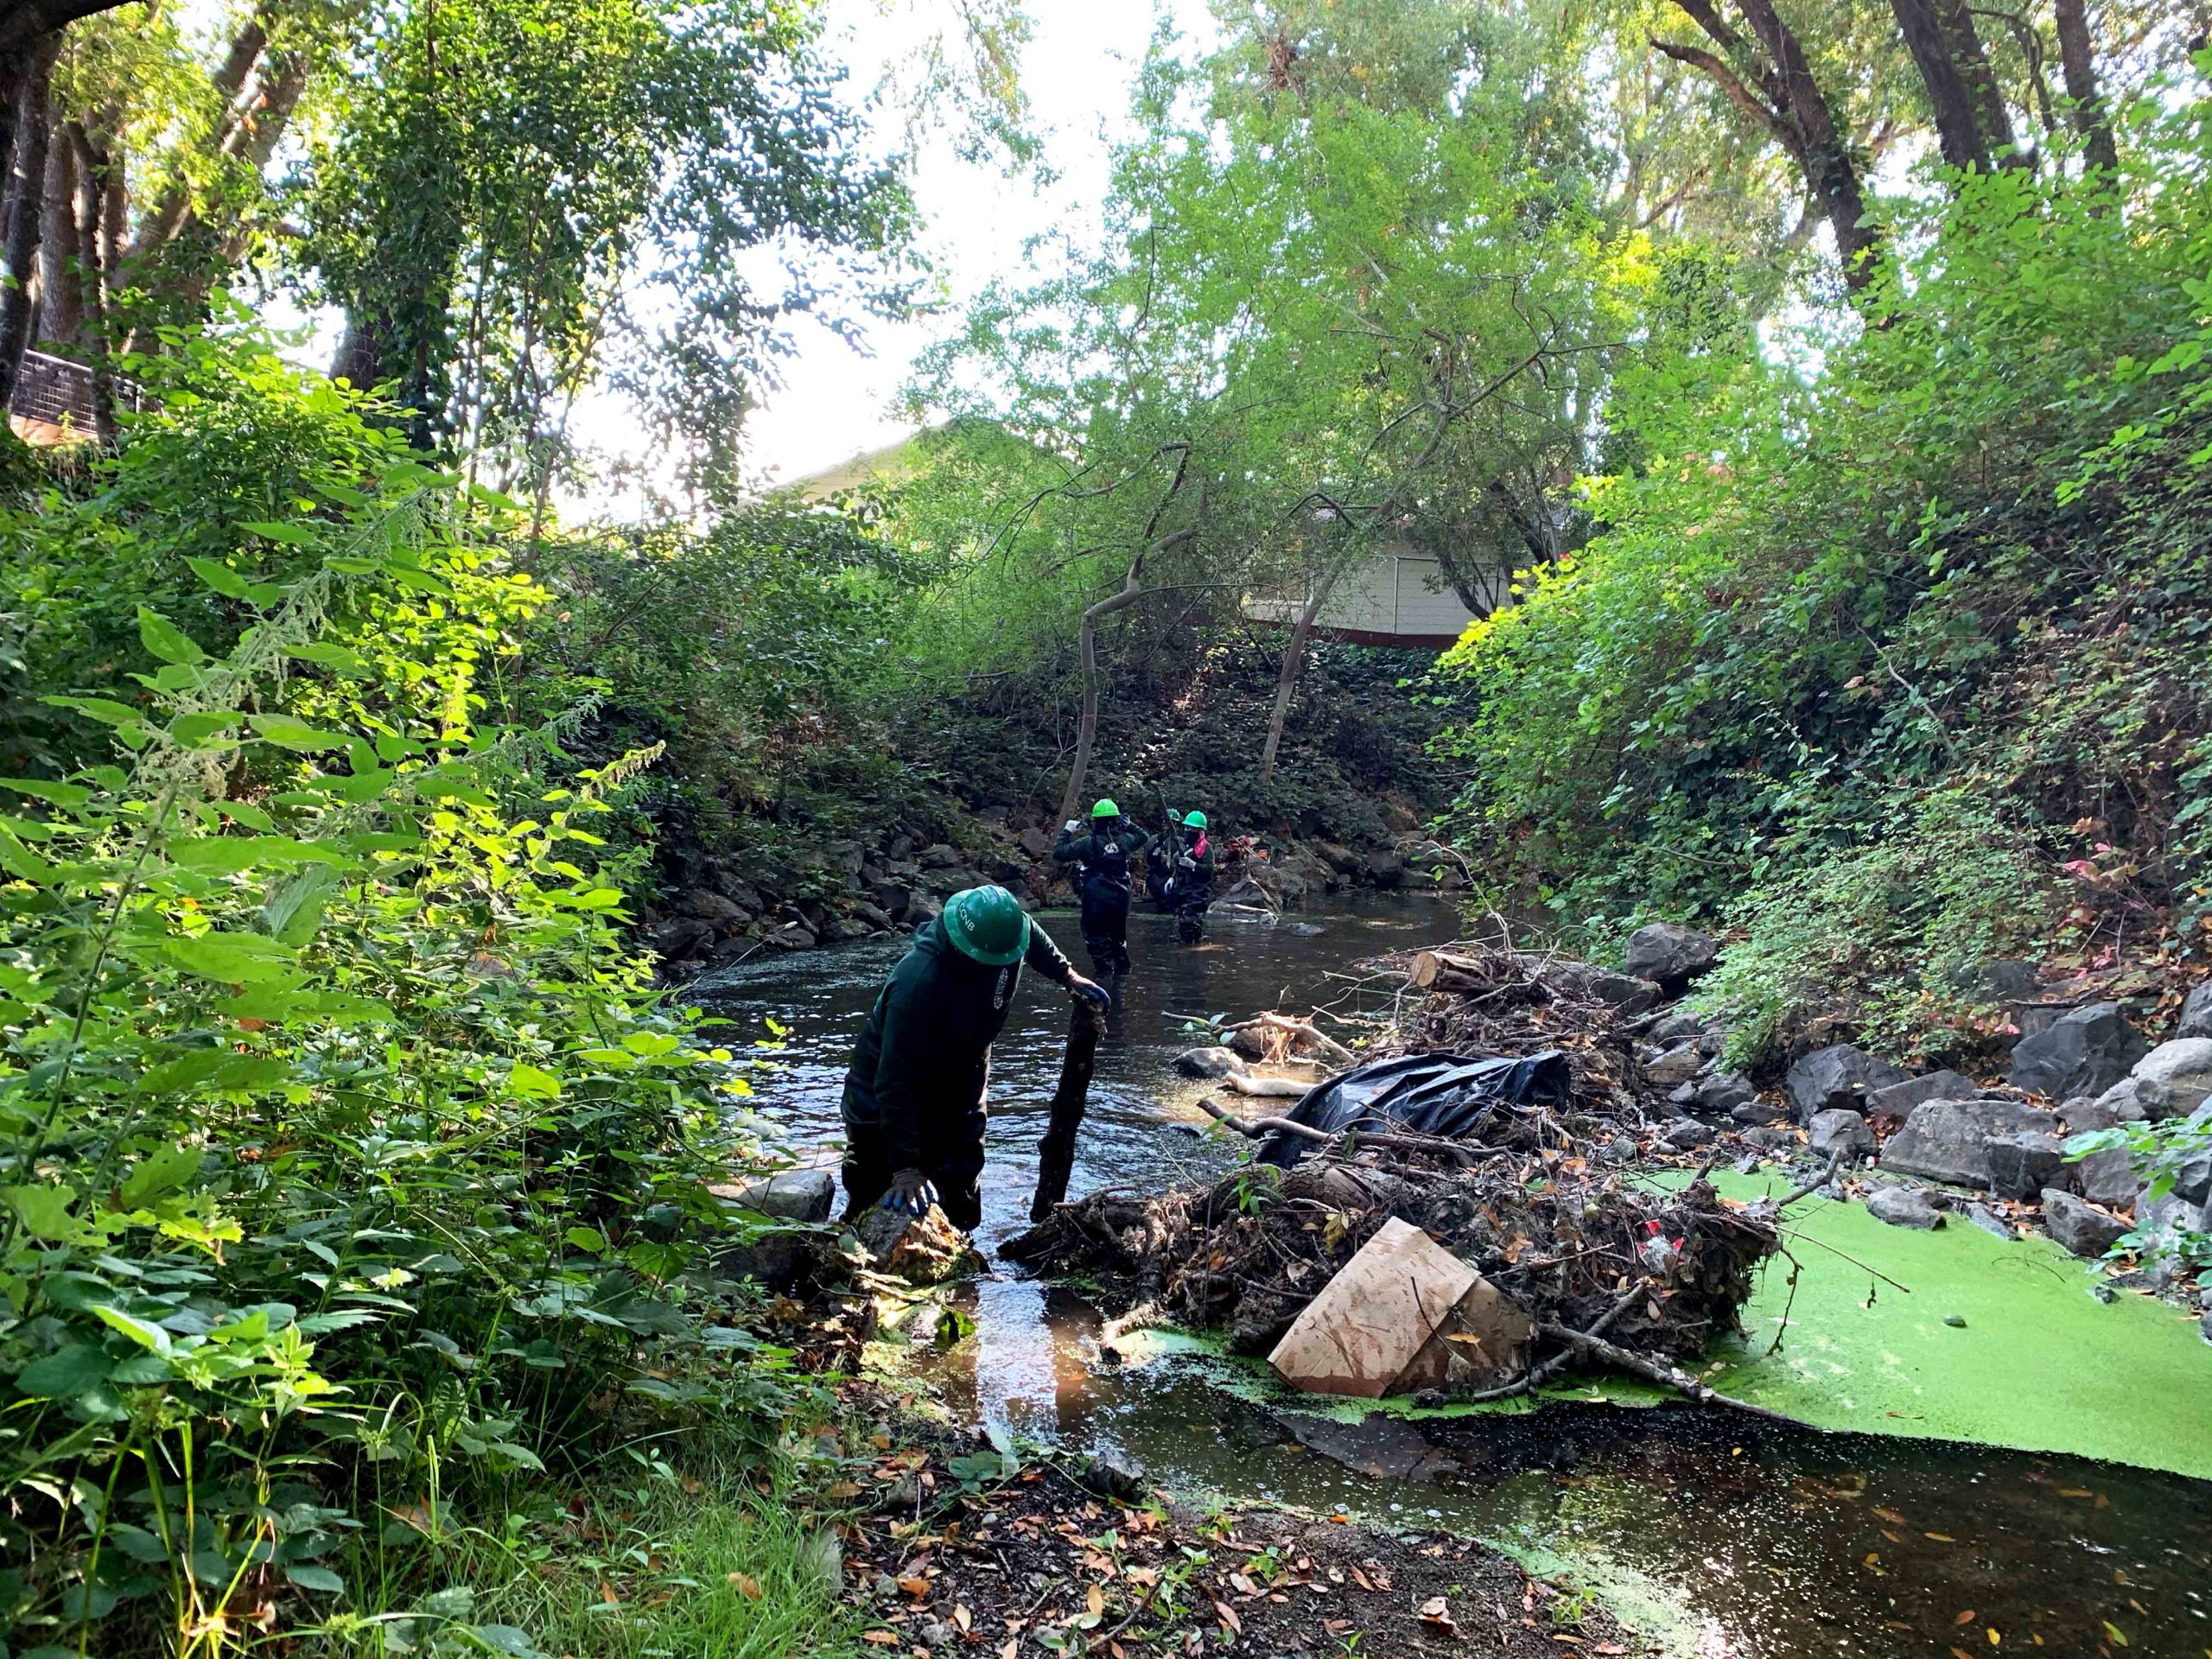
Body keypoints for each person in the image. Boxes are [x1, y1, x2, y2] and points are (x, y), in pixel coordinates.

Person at [840, 884, 1109, 1230]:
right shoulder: (918, 983)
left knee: (960, 1195)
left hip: (963, 1083)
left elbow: (1030, 933)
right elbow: (893, 1083)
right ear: (962, 948)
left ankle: (966, 1265)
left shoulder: (1008, 934)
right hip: (883, 1104)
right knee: (874, 1202)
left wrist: (1066, 975)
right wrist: (906, 1168)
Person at [1052, 798, 1151, 1001]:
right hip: (1121, 899)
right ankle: (1122, 984)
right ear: (1116, 821)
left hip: (1096, 900)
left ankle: (1103, 986)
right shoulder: (1125, 840)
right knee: (1118, 941)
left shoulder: (1087, 844)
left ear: (1094, 821)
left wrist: (1067, 831)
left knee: (1096, 941)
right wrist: (1130, 824)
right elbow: (1144, 836)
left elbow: (1059, 852)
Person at [1167, 809, 1214, 944]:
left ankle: (1193, 952)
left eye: (1191, 828)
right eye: (1186, 827)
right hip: (1183, 890)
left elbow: (1209, 870)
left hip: (1198, 892)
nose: (1187, 830)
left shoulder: (1206, 848)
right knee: (1183, 924)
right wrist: (1172, 878)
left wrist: (1193, 865)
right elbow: (1179, 866)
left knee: (1189, 923)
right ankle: (1189, 948)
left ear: (1199, 830)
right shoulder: (1185, 845)